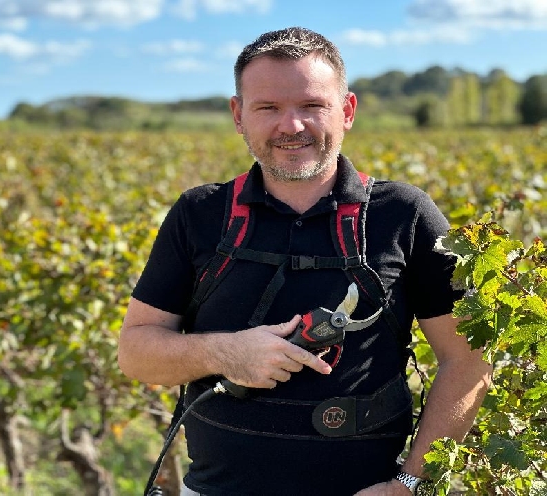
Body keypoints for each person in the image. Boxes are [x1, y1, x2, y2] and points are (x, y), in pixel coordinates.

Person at [118, 26, 492, 496]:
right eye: (268, 107)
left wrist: (409, 484)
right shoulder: (200, 213)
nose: (290, 126)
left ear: (347, 110)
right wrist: (226, 353)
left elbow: (468, 358)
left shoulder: (403, 215)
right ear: (238, 115)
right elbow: (135, 352)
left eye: (311, 106)